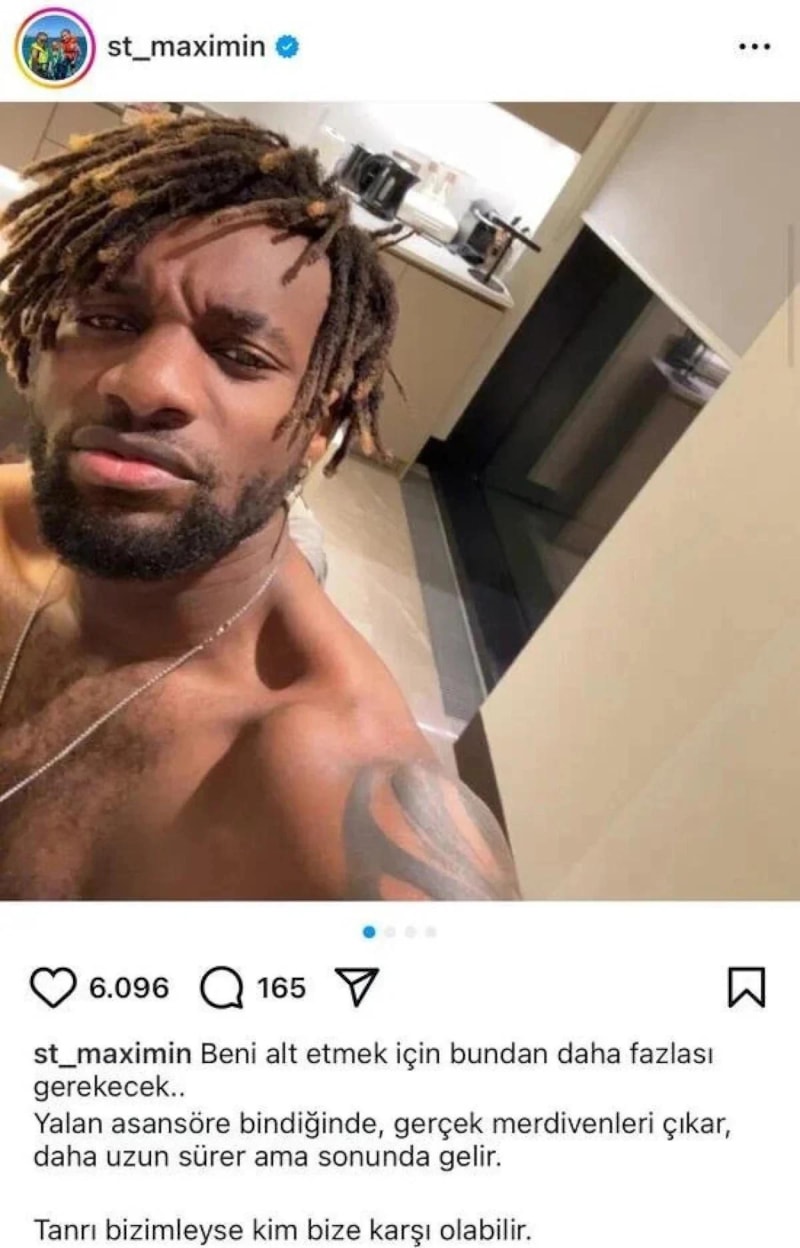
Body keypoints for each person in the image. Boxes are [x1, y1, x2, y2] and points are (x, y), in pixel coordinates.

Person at [0, 114, 520, 901]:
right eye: (108, 320)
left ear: (319, 425)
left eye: (239, 356)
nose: (147, 385)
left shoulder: (333, 791)